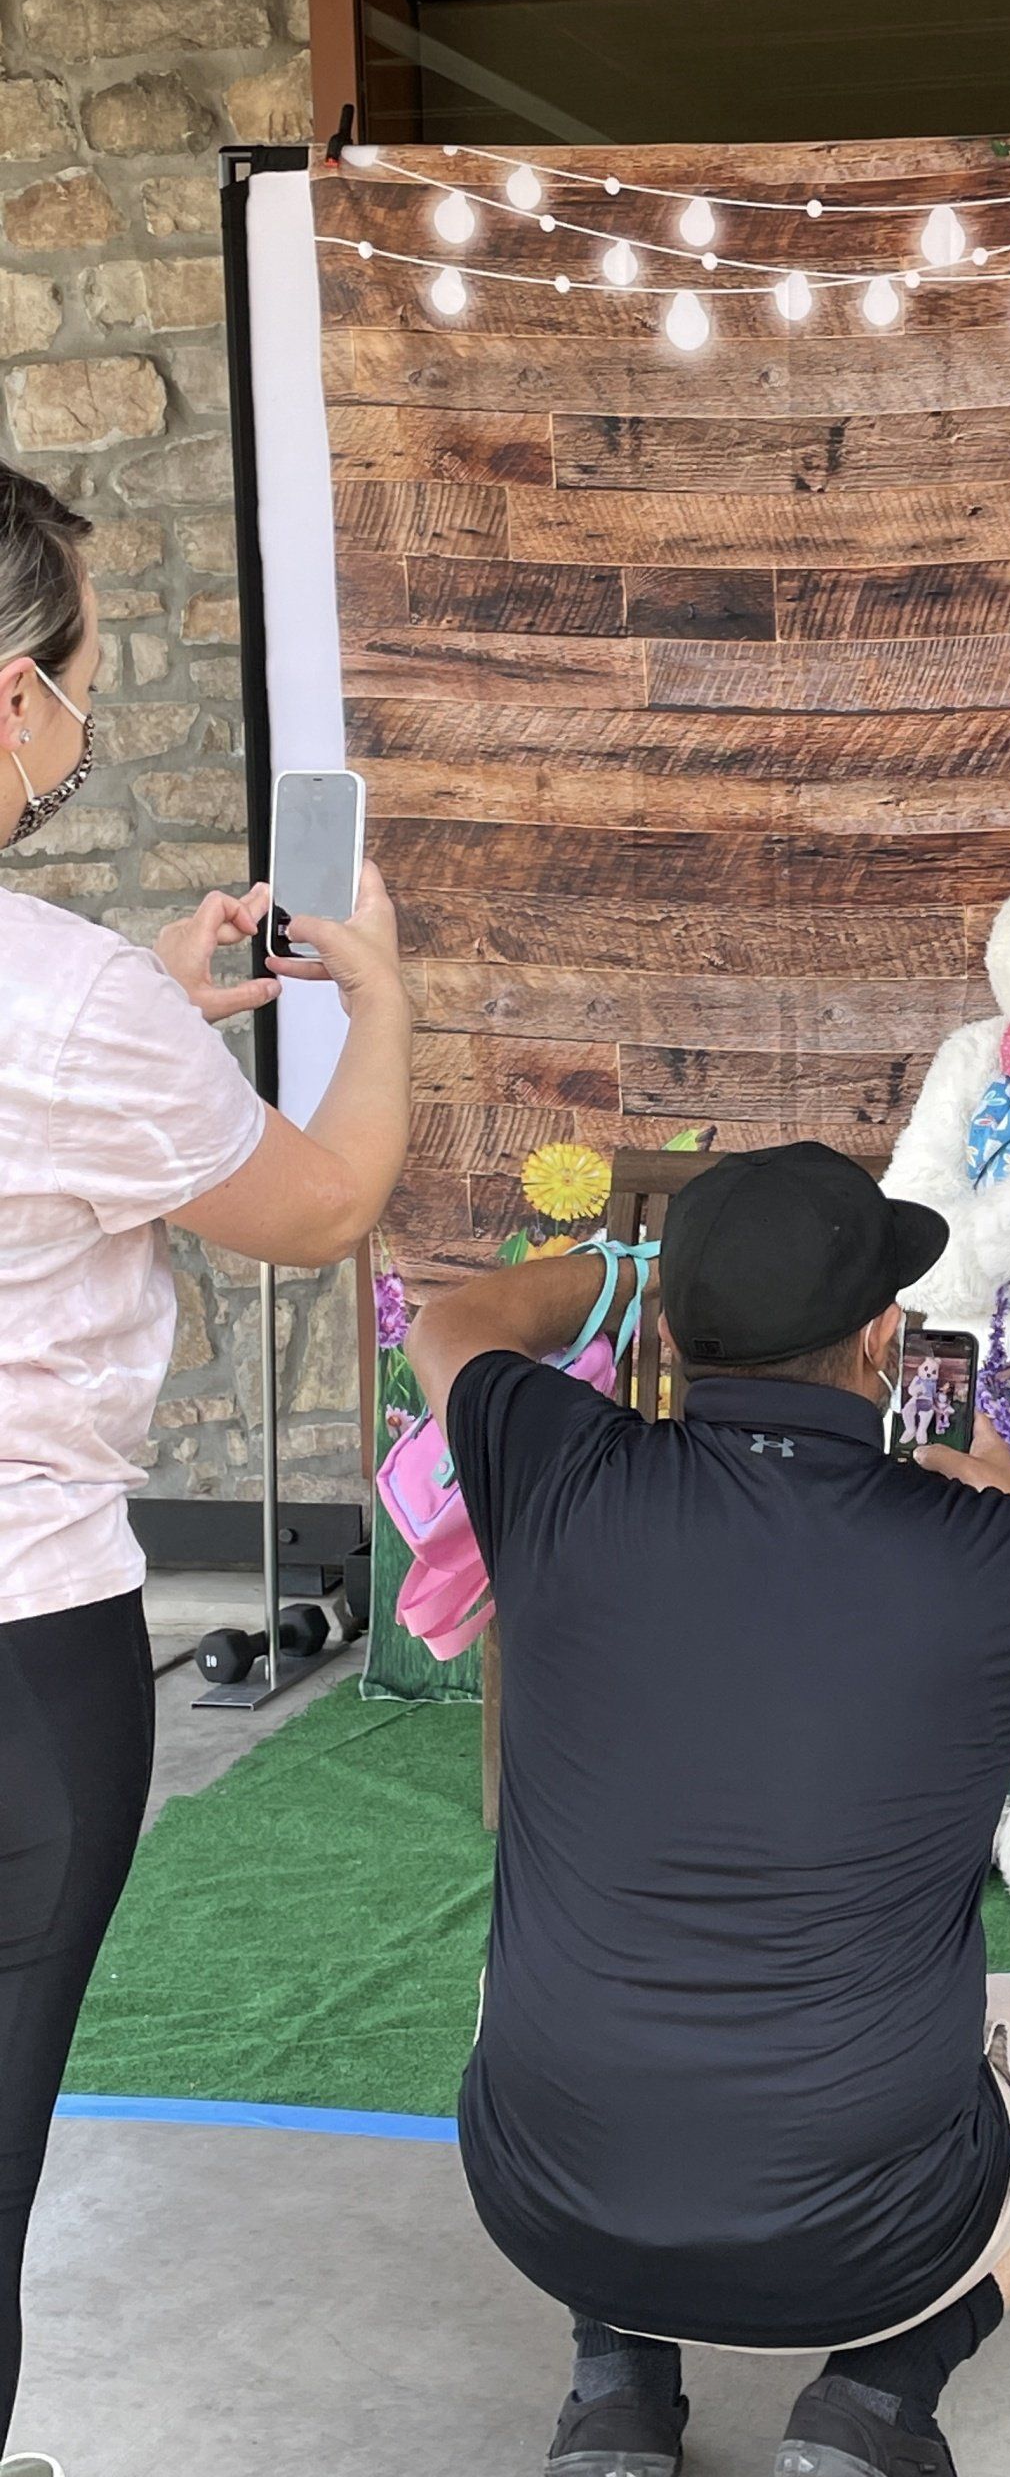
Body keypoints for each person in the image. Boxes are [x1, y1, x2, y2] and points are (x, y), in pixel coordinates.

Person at [406, 1142, 1010, 2477]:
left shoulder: (557, 1471)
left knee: (554, 1972)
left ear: (678, 1335)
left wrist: (627, 1271)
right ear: (880, 1340)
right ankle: (874, 2401)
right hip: (873, 2238)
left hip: (546, 2199)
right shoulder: (986, 1551)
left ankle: (615, 2381)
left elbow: (453, 1322)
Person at [0, 457, 414, 2471]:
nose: (83, 715)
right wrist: (386, 997)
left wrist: (146, 1010)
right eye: (75, 673)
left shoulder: (87, 1010)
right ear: (9, 695)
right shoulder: (57, 1003)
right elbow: (325, 1203)